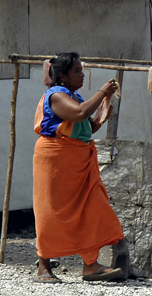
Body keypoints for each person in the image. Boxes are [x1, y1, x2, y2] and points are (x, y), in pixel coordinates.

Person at [32, 52, 124, 283]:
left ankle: (90, 265)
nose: (82, 75)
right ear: (62, 75)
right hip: (55, 161)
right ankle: (44, 267)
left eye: (81, 70)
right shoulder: (56, 96)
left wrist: (106, 102)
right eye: (77, 71)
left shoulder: (74, 95)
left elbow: (86, 127)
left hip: (78, 160)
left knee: (91, 207)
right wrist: (102, 91)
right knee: (51, 211)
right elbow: (79, 113)